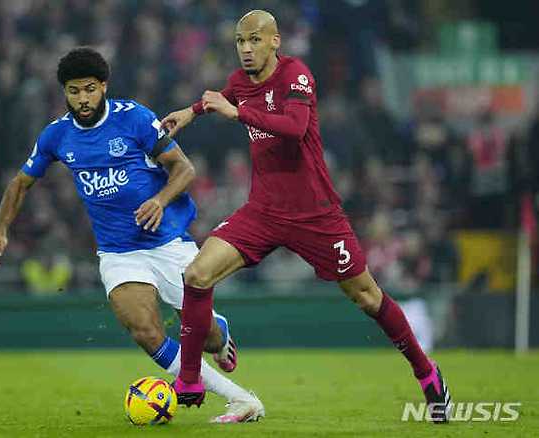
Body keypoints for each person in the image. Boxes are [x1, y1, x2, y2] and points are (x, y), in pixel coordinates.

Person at [162, 10, 451, 423]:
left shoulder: (297, 75)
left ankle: (426, 372)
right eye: (240, 42)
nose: (246, 49)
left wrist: (237, 113)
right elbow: (218, 99)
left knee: (367, 297)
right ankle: (189, 380)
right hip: (262, 211)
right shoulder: (241, 82)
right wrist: (190, 112)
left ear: (275, 41)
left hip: (316, 215)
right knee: (196, 275)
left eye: (255, 41)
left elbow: (295, 127)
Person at [0, 47, 264, 423]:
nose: (82, 99)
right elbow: (20, 184)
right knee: (145, 331)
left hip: (169, 244)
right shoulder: (56, 136)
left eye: (89, 89)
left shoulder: (134, 119)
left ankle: (220, 332)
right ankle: (242, 400)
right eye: (74, 91)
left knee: (208, 337)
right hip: (118, 253)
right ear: (64, 92)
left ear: (104, 86)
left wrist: (160, 200)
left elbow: (184, 169)